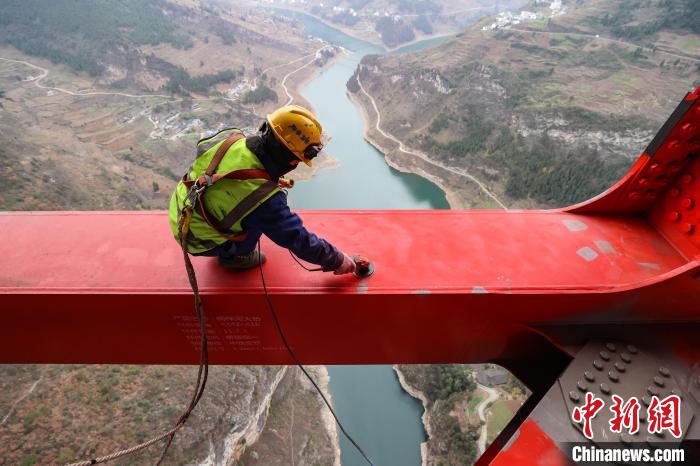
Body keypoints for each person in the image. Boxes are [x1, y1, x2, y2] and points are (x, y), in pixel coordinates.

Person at [169, 105, 357, 275]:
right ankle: (233, 257)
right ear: (291, 160)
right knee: (257, 220)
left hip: (179, 209)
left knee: (252, 212)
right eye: (298, 160)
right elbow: (295, 237)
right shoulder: (264, 199)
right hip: (196, 240)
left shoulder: (231, 138)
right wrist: (337, 260)